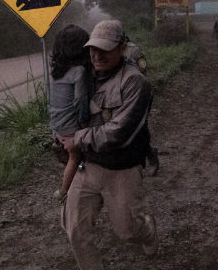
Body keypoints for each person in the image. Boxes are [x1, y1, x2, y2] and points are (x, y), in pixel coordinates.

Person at [59, 20, 158, 269]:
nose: (97, 55)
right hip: (88, 165)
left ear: (122, 48)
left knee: (127, 232)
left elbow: (118, 133)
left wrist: (77, 139)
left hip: (122, 169)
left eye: (105, 49)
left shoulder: (135, 83)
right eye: (93, 48)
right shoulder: (84, 77)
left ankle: (147, 229)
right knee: (75, 230)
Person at [48, 25, 91, 202]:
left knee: (73, 156)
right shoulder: (79, 72)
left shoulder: (57, 72)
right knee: (75, 156)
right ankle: (64, 191)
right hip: (70, 126)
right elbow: (80, 101)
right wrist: (84, 126)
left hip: (57, 124)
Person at [124, 36, 159, 176]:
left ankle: (150, 155)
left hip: (138, 93)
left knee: (139, 128)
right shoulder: (106, 49)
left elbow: (142, 68)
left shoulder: (133, 50)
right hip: (119, 96)